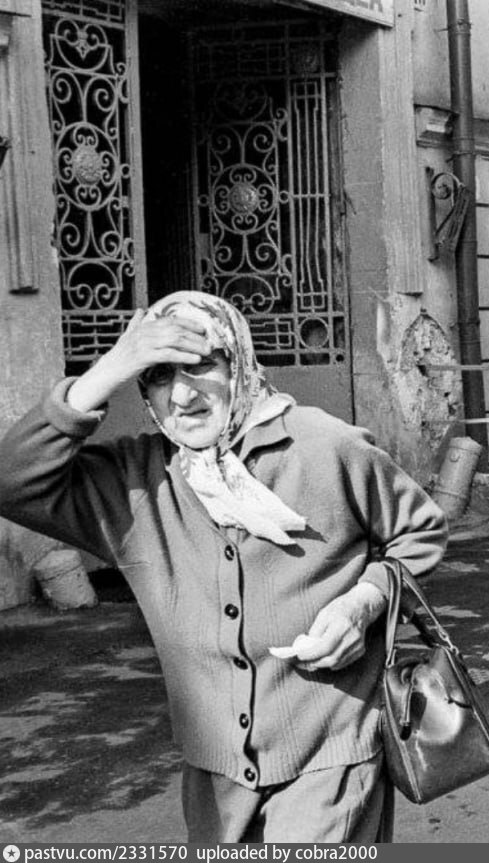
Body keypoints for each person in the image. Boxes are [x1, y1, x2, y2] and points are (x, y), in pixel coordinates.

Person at [0, 292, 448, 843]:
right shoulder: (135, 482)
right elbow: (12, 480)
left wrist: (365, 601)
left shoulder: (324, 446)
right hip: (215, 781)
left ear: (238, 363)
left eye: (201, 366)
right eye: (158, 375)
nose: (182, 395)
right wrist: (113, 365)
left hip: (330, 759)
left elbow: (420, 531)